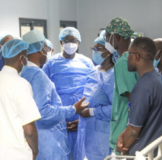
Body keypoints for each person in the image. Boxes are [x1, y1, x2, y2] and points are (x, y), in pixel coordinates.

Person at [22, 30, 89, 160]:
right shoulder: (38, 75)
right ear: (39, 49)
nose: (47, 52)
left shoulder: (23, 73)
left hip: (34, 139)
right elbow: (43, 112)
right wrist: (73, 109)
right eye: (46, 48)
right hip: (48, 142)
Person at [0, 39, 41, 160]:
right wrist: (35, 150)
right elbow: (29, 129)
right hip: (15, 154)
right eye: (26, 57)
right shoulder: (21, 84)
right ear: (21, 58)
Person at [43, 27, 95, 158]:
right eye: (67, 40)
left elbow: (93, 91)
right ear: (61, 42)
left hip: (81, 118)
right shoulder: (51, 63)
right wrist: (59, 120)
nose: (70, 43)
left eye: (74, 40)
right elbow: (45, 94)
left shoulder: (87, 63)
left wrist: (82, 119)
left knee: (80, 154)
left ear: (79, 43)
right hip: (60, 118)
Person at [117, 37, 162, 155]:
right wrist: (124, 134)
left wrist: (123, 149)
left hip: (142, 152)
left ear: (136, 56)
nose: (127, 58)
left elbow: (133, 131)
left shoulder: (143, 87)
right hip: (155, 151)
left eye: (129, 54)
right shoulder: (158, 80)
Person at [74, 33, 114, 160]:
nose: (94, 52)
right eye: (93, 49)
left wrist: (92, 112)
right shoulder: (94, 71)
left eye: (98, 49)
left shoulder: (113, 75)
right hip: (86, 129)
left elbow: (117, 109)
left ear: (108, 51)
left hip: (102, 135)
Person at [105, 17, 139, 153]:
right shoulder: (129, 59)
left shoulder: (123, 63)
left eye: (108, 37)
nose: (106, 41)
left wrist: (129, 134)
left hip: (124, 134)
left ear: (117, 37)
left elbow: (133, 100)